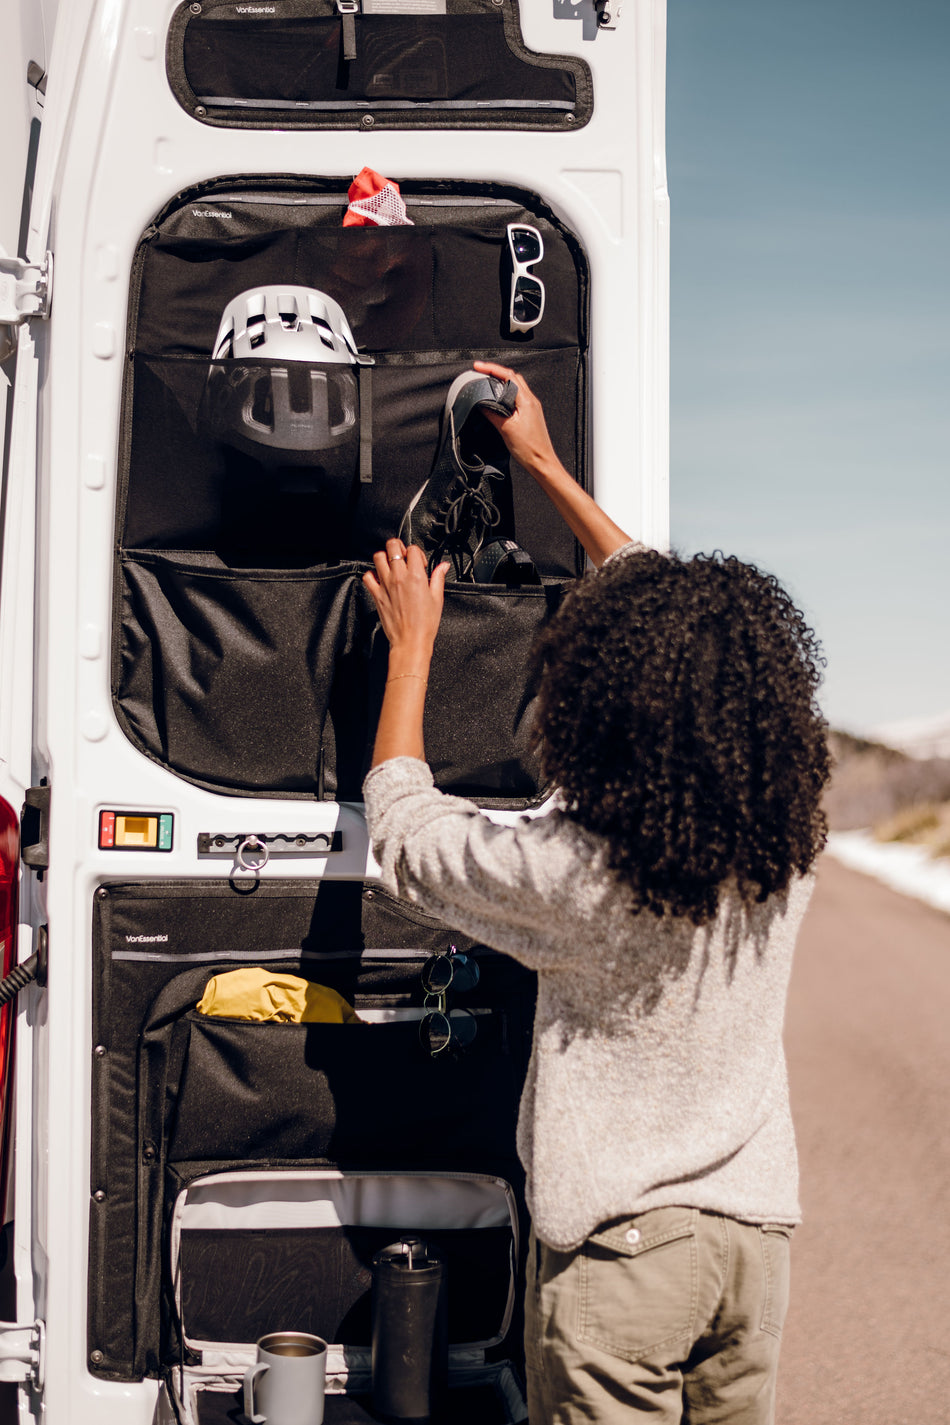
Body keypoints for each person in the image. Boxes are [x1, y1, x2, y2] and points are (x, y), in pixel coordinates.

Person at [361, 360, 831, 1425]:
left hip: (625, 1258)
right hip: (750, 1250)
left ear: (610, 701)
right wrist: (543, 466)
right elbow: (679, 622)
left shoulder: (583, 877)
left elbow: (406, 833)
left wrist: (412, 652)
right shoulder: (788, 834)